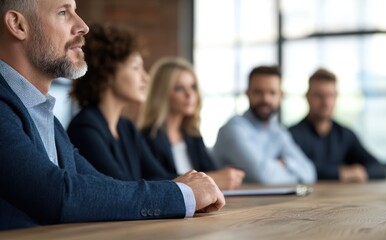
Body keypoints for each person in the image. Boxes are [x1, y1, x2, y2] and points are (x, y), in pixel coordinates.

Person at [0, 0, 224, 231]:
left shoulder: (48, 120)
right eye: (63, 13)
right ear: (18, 25)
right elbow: (57, 195)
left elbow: (102, 185)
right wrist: (180, 194)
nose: (83, 26)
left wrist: (183, 190)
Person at [67, 23, 175, 181]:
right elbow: (122, 190)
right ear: (107, 72)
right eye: (136, 68)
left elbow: (160, 177)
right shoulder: (84, 128)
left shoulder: (127, 128)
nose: (146, 78)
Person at [141, 57, 245, 190]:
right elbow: (155, 182)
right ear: (162, 93)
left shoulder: (192, 135)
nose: (189, 94)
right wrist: (213, 179)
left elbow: (212, 172)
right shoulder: (145, 137)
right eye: (179, 88)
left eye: (193, 87)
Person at [212, 66, 316, 185]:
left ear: (280, 95)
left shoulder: (279, 132)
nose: (265, 99)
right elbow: (263, 177)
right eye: (258, 92)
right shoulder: (233, 130)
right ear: (247, 93)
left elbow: (309, 172)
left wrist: (285, 163)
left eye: (272, 93)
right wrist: (281, 165)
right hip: (231, 203)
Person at [289, 68, 386, 182]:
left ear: (336, 97)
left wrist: (360, 172)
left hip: (342, 198)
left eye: (330, 95)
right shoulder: (291, 135)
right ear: (307, 97)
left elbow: (378, 168)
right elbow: (296, 168)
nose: (325, 102)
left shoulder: (346, 135)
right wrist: (340, 173)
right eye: (319, 96)